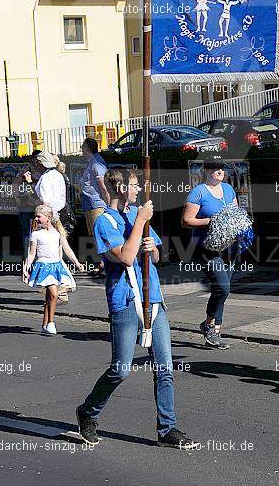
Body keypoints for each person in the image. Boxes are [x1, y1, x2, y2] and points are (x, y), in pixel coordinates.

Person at [76, 167, 199, 450]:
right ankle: (88, 412)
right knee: (121, 369)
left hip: (153, 299)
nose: (137, 191)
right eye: (133, 186)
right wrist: (140, 223)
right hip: (126, 302)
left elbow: (154, 254)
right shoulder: (105, 222)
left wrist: (150, 245)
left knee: (164, 367)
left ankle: (166, 429)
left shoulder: (135, 214)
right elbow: (127, 258)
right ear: (120, 188)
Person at [182, 161, 237, 349]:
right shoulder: (198, 192)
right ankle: (209, 325)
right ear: (206, 172)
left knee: (223, 289)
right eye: (215, 168)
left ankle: (214, 330)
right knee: (223, 287)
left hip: (230, 247)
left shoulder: (229, 189)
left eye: (222, 168)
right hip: (207, 248)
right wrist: (210, 220)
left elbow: (235, 212)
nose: (220, 171)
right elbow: (186, 221)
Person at [22, 204, 84, 336]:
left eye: (39, 216)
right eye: (36, 216)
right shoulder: (36, 234)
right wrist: (26, 267)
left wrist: (76, 262)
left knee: (50, 296)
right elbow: (32, 254)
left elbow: (67, 249)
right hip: (44, 266)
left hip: (56, 266)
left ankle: (45, 324)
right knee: (54, 294)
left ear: (48, 217)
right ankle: (51, 322)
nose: (36, 219)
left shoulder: (58, 233)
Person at [80, 138, 109, 276]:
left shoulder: (97, 164)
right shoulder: (92, 163)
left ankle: (105, 263)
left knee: (99, 235)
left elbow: (104, 187)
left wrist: (109, 204)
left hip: (97, 204)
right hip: (90, 204)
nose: (81, 151)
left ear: (87, 149)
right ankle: (102, 262)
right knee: (94, 235)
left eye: (82, 148)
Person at [13, 149, 43, 254]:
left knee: (39, 229)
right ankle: (28, 255)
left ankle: (37, 252)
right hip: (26, 204)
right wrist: (17, 198)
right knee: (27, 231)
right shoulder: (26, 168)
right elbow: (16, 183)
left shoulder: (43, 169)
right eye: (37, 158)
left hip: (38, 204)